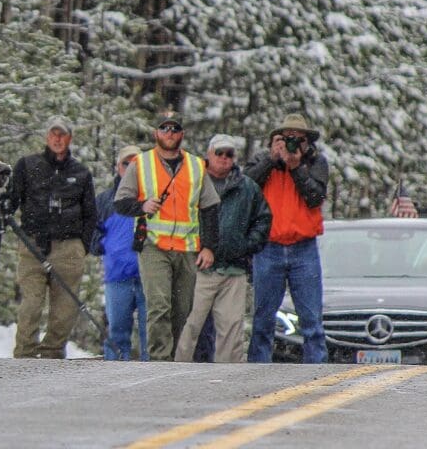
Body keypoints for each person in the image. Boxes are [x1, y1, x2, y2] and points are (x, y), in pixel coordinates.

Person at [114, 113, 220, 361]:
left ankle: (170, 359)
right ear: (156, 133)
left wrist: (209, 247)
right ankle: (158, 359)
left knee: (181, 310)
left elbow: (211, 208)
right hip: (153, 245)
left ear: (182, 134)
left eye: (174, 129)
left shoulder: (196, 165)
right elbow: (120, 202)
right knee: (159, 305)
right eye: (164, 128)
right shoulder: (141, 163)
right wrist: (142, 206)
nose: (169, 133)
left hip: (187, 247)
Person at [4, 115, 97, 359]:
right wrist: (3, 207)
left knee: (64, 310)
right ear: (47, 136)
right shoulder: (27, 165)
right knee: (31, 303)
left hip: (68, 248)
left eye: (62, 134)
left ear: (70, 138)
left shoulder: (81, 173)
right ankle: (24, 353)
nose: (57, 138)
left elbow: (91, 214)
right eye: (53, 134)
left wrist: (81, 247)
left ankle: (52, 354)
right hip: (33, 244)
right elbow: (11, 200)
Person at [175, 134, 272, 363]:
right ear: (209, 155)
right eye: (219, 153)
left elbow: (263, 219)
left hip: (233, 269)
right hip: (198, 267)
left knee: (231, 329)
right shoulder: (192, 182)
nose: (224, 158)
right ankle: (175, 371)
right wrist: (191, 246)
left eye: (229, 154)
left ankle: (229, 382)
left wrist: (247, 245)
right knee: (189, 325)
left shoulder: (247, 187)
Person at [244, 113, 329, 364]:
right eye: (287, 138)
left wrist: (296, 168)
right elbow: (245, 187)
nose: (293, 144)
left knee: (311, 319)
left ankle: (316, 371)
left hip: (304, 248)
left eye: (298, 139)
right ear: (275, 140)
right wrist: (272, 160)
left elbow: (315, 197)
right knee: (263, 319)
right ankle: (257, 370)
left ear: (307, 142)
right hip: (269, 247)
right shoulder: (264, 161)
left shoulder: (316, 163)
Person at [91, 145, 149, 361]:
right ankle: (111, 380)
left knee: (150, 335)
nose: (131, 168)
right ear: (118, 167)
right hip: (117, 276)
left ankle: (153, 384)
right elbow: (91, 230)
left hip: (148, 277)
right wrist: (103, 245)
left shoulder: (151, 198)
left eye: (137, 164)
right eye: (127, 163)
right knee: (116, 335)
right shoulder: (105, 200)